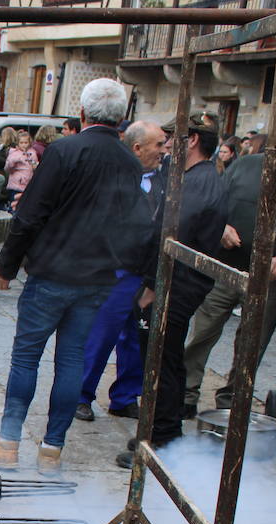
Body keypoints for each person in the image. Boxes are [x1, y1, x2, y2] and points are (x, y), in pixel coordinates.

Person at [0, 78, 150, 476]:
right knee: (71, 360)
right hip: (97, 277)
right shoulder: (129, 162)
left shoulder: (65, 150)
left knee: (27, 357)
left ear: (83, 114)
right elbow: (138, 224)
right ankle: (52, 451)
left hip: (52, 273)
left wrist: (6, 267)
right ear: (121, 118)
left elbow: (30, 215)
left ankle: (8, 444)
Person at [182, 119, 276, 417]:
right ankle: (186, 393)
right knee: (203, 332)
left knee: (251, 343)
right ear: (272, 144)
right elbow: (213, 204)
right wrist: (222, 227)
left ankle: (232, 398)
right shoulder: (245, 167)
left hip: (268, 278)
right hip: (224, 268)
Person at [114, 111, 229, 467]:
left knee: (161, 362)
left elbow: (172, 235)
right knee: (167, 359)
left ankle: (160, 440)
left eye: (172, 139)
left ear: (192, 140)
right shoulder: (195, 176)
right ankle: (166, 433)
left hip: (175, 284)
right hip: (175, 282)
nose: (167, 147)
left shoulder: (199, 180)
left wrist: (150, 286)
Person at [75, 120, 167, 424]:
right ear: (137, 148)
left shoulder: (165, 180)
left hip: (145, 269)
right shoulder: (113, 175)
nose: (163, 151)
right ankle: (81, 395)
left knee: (134, 336)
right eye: (158, 145)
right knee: (101, 334)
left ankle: (125, 396)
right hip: (115, 268)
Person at [1, 129, 39, 211]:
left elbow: (35, 165)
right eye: (21, 143)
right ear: (17, 143)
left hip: (28, 184)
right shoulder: (14, 153)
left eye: (26, 143)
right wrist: (14, 161)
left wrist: (35, 166)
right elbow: (7, 168)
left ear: (29, 143)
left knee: (24, 207)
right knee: (14, 205)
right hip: (16, 184)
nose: (24, 145)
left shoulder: (33, 153)